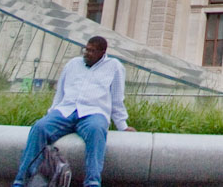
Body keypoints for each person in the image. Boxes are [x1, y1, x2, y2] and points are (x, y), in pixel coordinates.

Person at [11, 36, 134, 187]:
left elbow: (117, 99)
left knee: (96, 130)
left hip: (93, 113)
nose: (87, 53)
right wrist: (51, 114)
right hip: (65, 111)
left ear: (102, 53)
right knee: (39, 127)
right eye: (86, 49)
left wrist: (122, 125)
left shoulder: (114, 67)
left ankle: (92, 182)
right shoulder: (73, 64)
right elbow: (60, 94)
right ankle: (21, 180)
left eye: (92, 51)